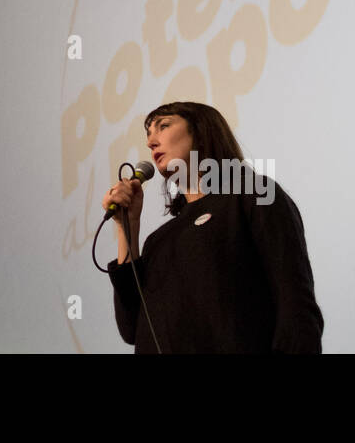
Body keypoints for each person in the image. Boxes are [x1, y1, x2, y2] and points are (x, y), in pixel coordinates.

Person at [101, 101, 324, 353]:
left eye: (163, 126)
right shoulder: (158, 241)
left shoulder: (253, 194)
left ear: (201, 131)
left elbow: (295, 304)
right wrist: (127, 226)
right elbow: (131, 329)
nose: (151, 142)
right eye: (148, 135)